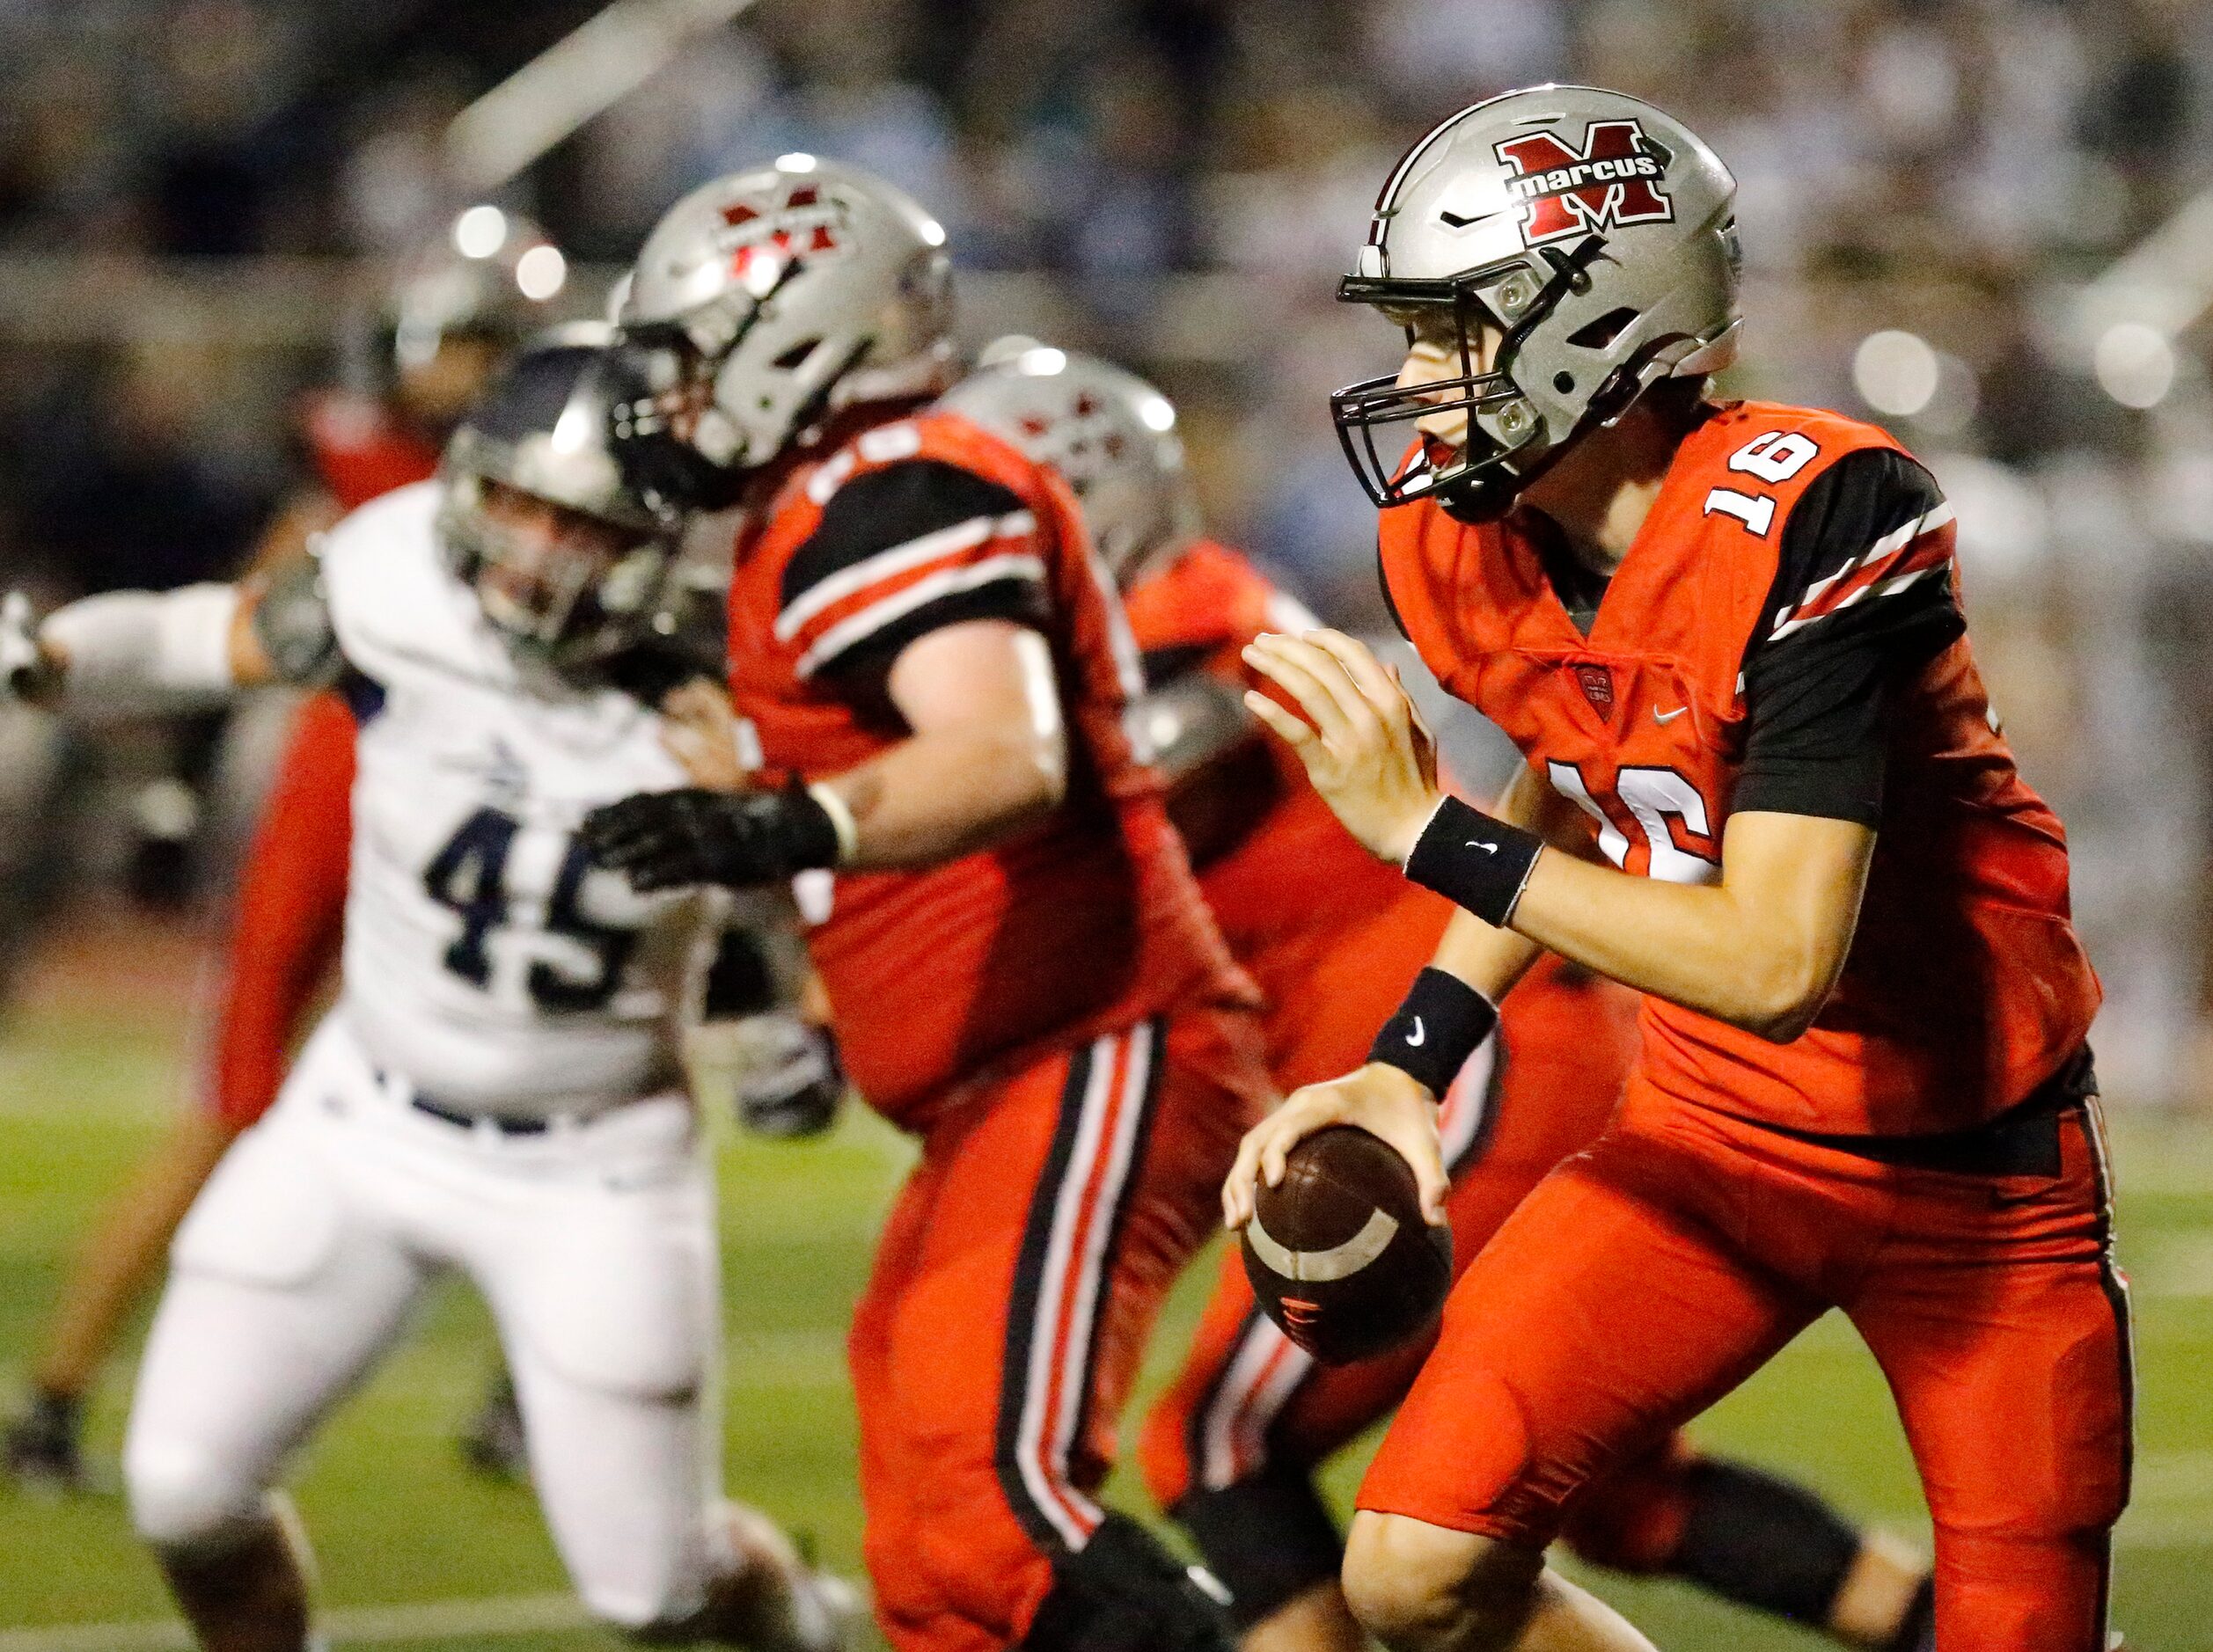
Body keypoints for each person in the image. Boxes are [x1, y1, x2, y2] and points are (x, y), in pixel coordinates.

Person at [1224, 86, 2122, 1652]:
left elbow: (1778, 960)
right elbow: (1592, 763)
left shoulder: (1821, 510)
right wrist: (1406, 1061)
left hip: (1977, 1172)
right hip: (1714, 1138)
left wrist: (1429, 832)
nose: (1416, 377)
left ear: (1595, 323)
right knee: (1413, 1570)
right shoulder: (1465, 540)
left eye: (1453, 329)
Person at [942, 342, 1936, 1652]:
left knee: (1221, 1439)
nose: (932, 574)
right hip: (1502, 1040)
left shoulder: (1192, 631)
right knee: (1624, 1500)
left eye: (963, 527)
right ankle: (1949, 1623)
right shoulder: (1133, 640)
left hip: (1475, 1054)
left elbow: (1041, 828)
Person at [2, 334, 853, 1652]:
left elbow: (841, 893)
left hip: (596, 1159)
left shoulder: (732, 688)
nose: (526, 546)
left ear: (657, 537)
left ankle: (795, 1612)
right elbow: (205, 634)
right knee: (185, 1488)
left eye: (572, 520)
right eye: (509, 499)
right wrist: (49, 660)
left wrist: (797, 994)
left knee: (658, 1588)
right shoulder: (396, 572)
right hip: (364, 1110)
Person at [581, 157, 1274, 1652]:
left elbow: (1001, 752)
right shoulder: (823, 511)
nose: (672, 404)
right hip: (1011, 1075)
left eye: (694, 365)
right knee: (934, 1568)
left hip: (1096, 1043)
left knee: (994, 1513)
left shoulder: (886, 491)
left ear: (796, 343)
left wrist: (780, 815)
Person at [4, 209, 578, 1490]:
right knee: (237, 1099)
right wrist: (175, 782)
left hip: (478, 799)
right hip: (350, 791)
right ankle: (54, 1393)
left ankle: (534, 1392)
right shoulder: (366, 475)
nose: (475, 377)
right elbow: (239, 627)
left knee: (546, 1092)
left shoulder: (538, 483)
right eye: (465, 347)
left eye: (495, 348)